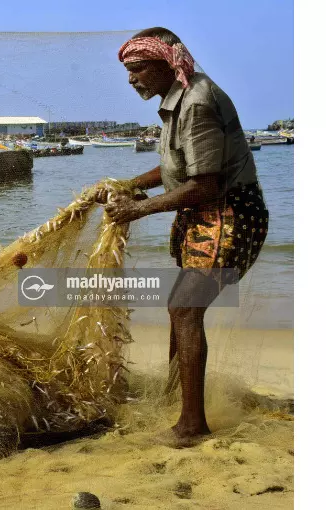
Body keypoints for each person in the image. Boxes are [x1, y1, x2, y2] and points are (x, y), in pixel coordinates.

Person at [100, 27, 268, 444]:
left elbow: (205, 184)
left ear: (165, 63)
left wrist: (136, 210)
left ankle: (192, 426)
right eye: (127, 71)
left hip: (229, 212)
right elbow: (181, 169)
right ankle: (177, 400)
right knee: (181, 307)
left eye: (138, 68)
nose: (131, 79)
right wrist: (130, 184)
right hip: (203, 212)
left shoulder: (196, 103)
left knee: (185, 307)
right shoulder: (176, 101)